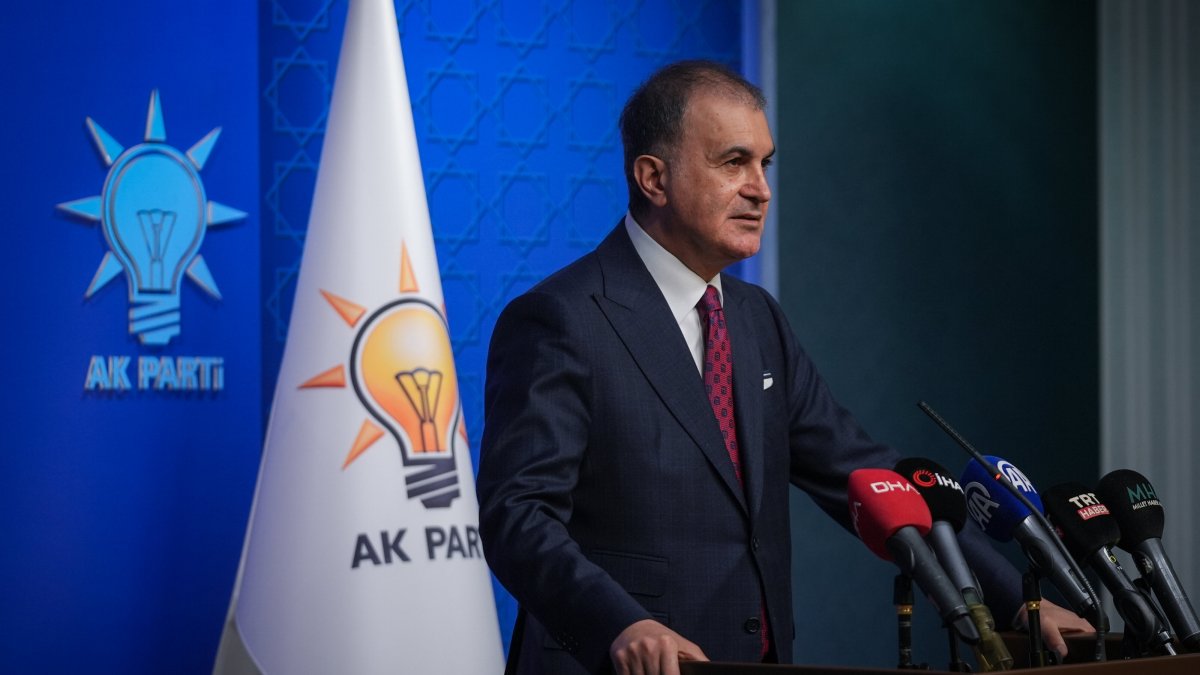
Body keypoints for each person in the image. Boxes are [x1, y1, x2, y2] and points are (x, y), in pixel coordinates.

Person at [476, 60, 1090, 675]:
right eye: (733, 162)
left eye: (764, 164)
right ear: (653, 178)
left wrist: (1016, 602)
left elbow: (868, 478)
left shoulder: (755, 318)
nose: (760, 189)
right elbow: (517, 516)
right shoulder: (561, 319)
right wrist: (621, 621)